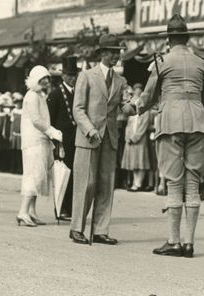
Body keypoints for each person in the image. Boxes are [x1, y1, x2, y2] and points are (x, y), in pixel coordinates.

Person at [136, 14, 204, 258]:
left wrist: (132, 104)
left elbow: (146, 98)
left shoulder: (162, 62)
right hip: (198, 122)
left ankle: (174, 240)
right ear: (186, 38)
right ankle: (189, 243)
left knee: (174, 181)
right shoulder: (201, 63)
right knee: (193, 182)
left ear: (169, 39)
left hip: (171, 123)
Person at [70, 34, 135, 245]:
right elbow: (78, 109)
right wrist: (89, 129)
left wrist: (136, 104)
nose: (116, 55)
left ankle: (99, 230)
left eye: (118, 52)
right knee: (86, 184)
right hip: (88, 139)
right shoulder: (86, 76)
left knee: (106, 185)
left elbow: (126, 106)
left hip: (109, 138)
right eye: (112, 52)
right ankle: (76, 228)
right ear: (102, 54)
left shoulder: (121, 81)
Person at [17, 65, 63, 227]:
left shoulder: (38, 96)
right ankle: (23, 211)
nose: (45, 82)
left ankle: (31, 211)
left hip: (40, 141)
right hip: (34, 141)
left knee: (38, 176)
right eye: (42, 79)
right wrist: (52, 132)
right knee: (33, 176)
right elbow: (36, 120)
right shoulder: (32, 96)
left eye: (47, 79)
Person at [47, 56, 80, 221]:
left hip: (76, 140)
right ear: (63, 75)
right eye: (69, 75)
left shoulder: (78, 92)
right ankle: (60, 208)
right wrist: (54, 143)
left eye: (75, 75)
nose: (73, 78)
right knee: (62, 175)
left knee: (73, 174)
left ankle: (70, 207)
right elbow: (50, 121)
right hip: (61, 141)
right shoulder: (55, 94)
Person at [121, 83, 151, 191]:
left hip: (140, 140)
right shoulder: (132, 111)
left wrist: (135, 137)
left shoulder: (145, 112)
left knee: (141, 162)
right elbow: (128, 125)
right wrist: (127, 137)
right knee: (133, 162)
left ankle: (138, 183)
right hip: (131, 140)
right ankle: (134, 182)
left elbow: (143, 127)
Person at [10, 93, 23, 174]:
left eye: (19, 102)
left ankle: (20, 168)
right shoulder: (14, 111)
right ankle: (13, 168)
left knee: (20, 152)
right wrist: (11, 134)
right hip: (14, 134)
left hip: (21, 134)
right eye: (16, 102)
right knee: (14, 152)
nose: (18, 104)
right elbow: (12, 123)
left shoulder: (24, 111)